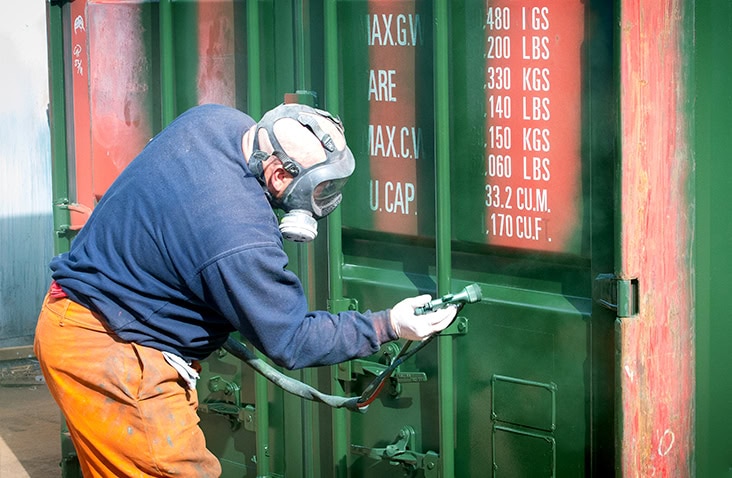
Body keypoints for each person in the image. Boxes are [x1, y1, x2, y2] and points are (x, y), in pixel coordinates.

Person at [34, 103, 457, 477]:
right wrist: (388, 324)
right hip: (111, 353)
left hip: (77, 321)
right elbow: (290, 339)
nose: (324, 201)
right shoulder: (238, 231)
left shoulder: (216, 121)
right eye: (320, 189)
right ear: (277, 173)